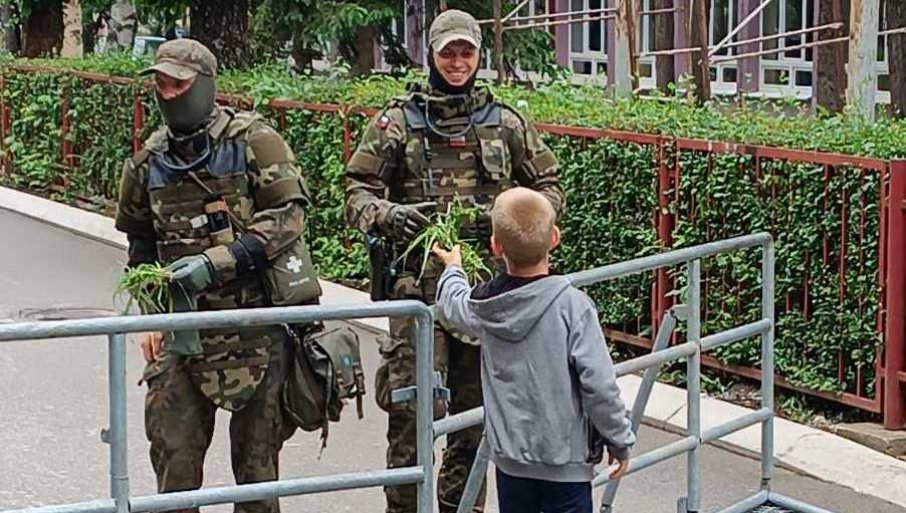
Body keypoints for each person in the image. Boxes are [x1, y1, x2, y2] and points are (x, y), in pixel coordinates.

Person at [344, 8, 565, 513]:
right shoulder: (398, 121)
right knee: (412, 413)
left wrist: (510, 221)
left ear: (479, 56)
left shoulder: (505, 122)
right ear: (432, 55)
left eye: (467, 52)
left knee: (477, 417)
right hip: (416, 295)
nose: (458, 62)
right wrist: (389, 215)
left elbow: (550, 187)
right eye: (449, 53)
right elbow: (356, 191)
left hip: (486, 293)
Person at [115, 38, 320, 513]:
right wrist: (151, 313)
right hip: (184, 334)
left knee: (256, 477)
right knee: (175, 470)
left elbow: (288, 217)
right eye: (161, 84)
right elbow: (141, 248)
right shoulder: (147, 163)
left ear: (205, 85)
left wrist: (218, 262)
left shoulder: (253, 141)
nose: (168, 93)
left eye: (179, 84)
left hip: (257, 328)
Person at [432, 187, 635, 513]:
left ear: (496, 247)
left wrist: (453, 268)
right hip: (566, 464)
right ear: (554, 237)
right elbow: (599, 386)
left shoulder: (485, 307)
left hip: (511, 464)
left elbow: (453, 304)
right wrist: (620, 441)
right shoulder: (573, 307)